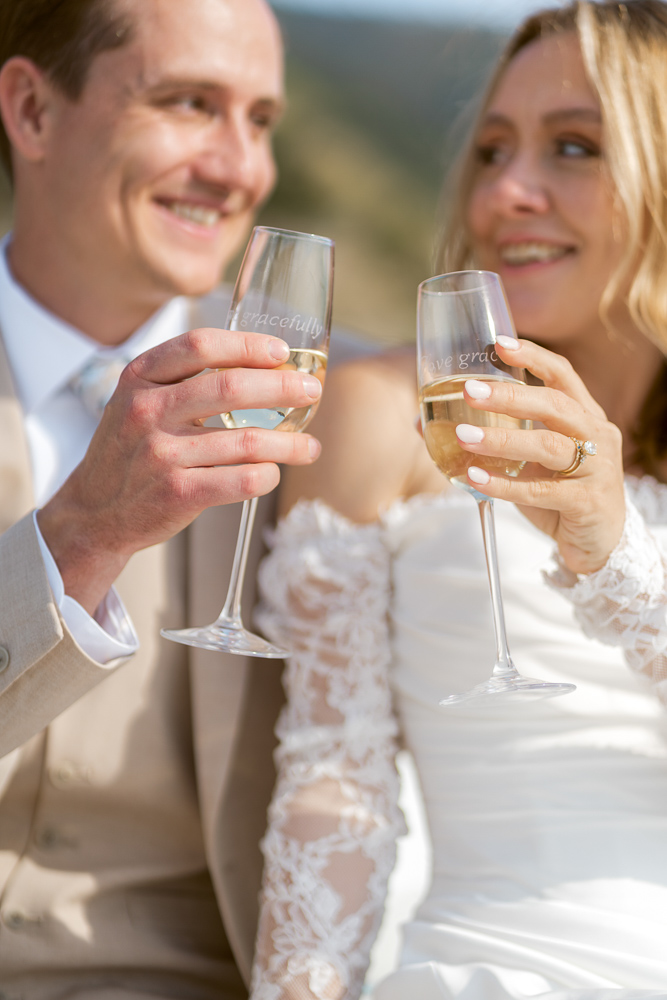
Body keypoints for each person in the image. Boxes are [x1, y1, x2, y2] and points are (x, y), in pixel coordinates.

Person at [249, 2, 667, 998]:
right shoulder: (386, 415)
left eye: (573, 146)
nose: (507, 192)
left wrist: (615, 553)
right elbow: (331, 786)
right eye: (489, 151)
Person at [0, 0, 324, 995]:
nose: (240, 169)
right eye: (190, 103)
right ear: (32, 110)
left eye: (261, 119)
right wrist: (82, 532)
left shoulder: (338, 410)